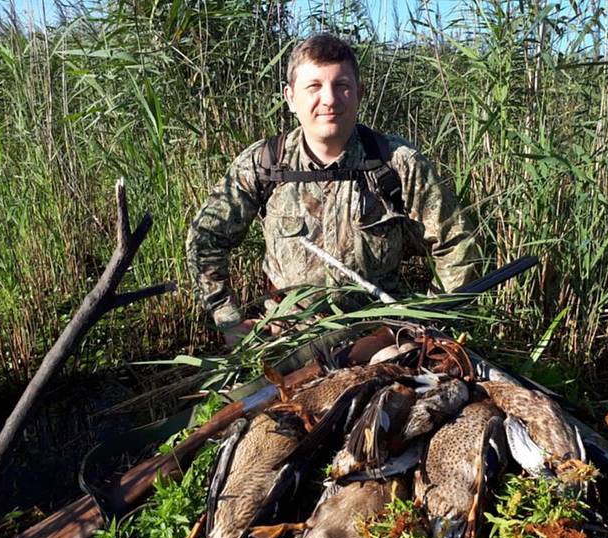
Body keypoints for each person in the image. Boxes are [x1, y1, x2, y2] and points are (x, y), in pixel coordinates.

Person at [186, 33, 477, 347]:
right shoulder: (264, 164)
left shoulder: (396, 162)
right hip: (289, 342)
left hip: (382, 340)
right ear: (290, 98)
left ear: (359, 93)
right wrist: (228, 318)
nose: (329, 99)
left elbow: (457, 243)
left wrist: (424, 324)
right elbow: (205, 238)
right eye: (314, 86)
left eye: (342, 85)